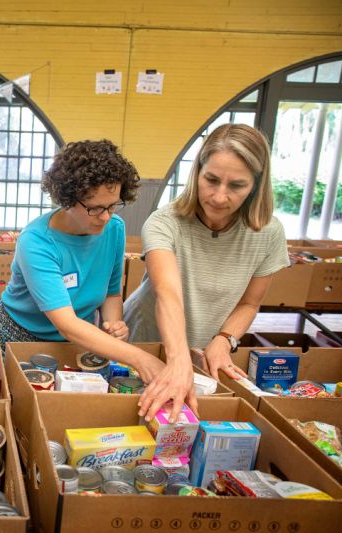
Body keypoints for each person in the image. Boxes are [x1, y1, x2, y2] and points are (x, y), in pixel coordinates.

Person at [124, 124, 289, 421]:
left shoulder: (270, 233)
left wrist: (224, 339)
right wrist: (177, 360)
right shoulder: (164, 222)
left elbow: (249, 303)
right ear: (197, 172)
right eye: (210, 180)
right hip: (147, 343)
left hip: (203, 353)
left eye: (236, 186)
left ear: (256, 185)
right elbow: (168, 294)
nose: (219, 196)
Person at [0, 139, 167, 387]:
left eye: (113, 206)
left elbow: (111, 293)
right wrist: (140, 358)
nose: (105, 217)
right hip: (18, 334)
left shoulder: (114, 229)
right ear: (67, 199)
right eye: (94, 208)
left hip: (79, 339)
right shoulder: (37, 242)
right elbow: (67, 324)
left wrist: (113, 324)